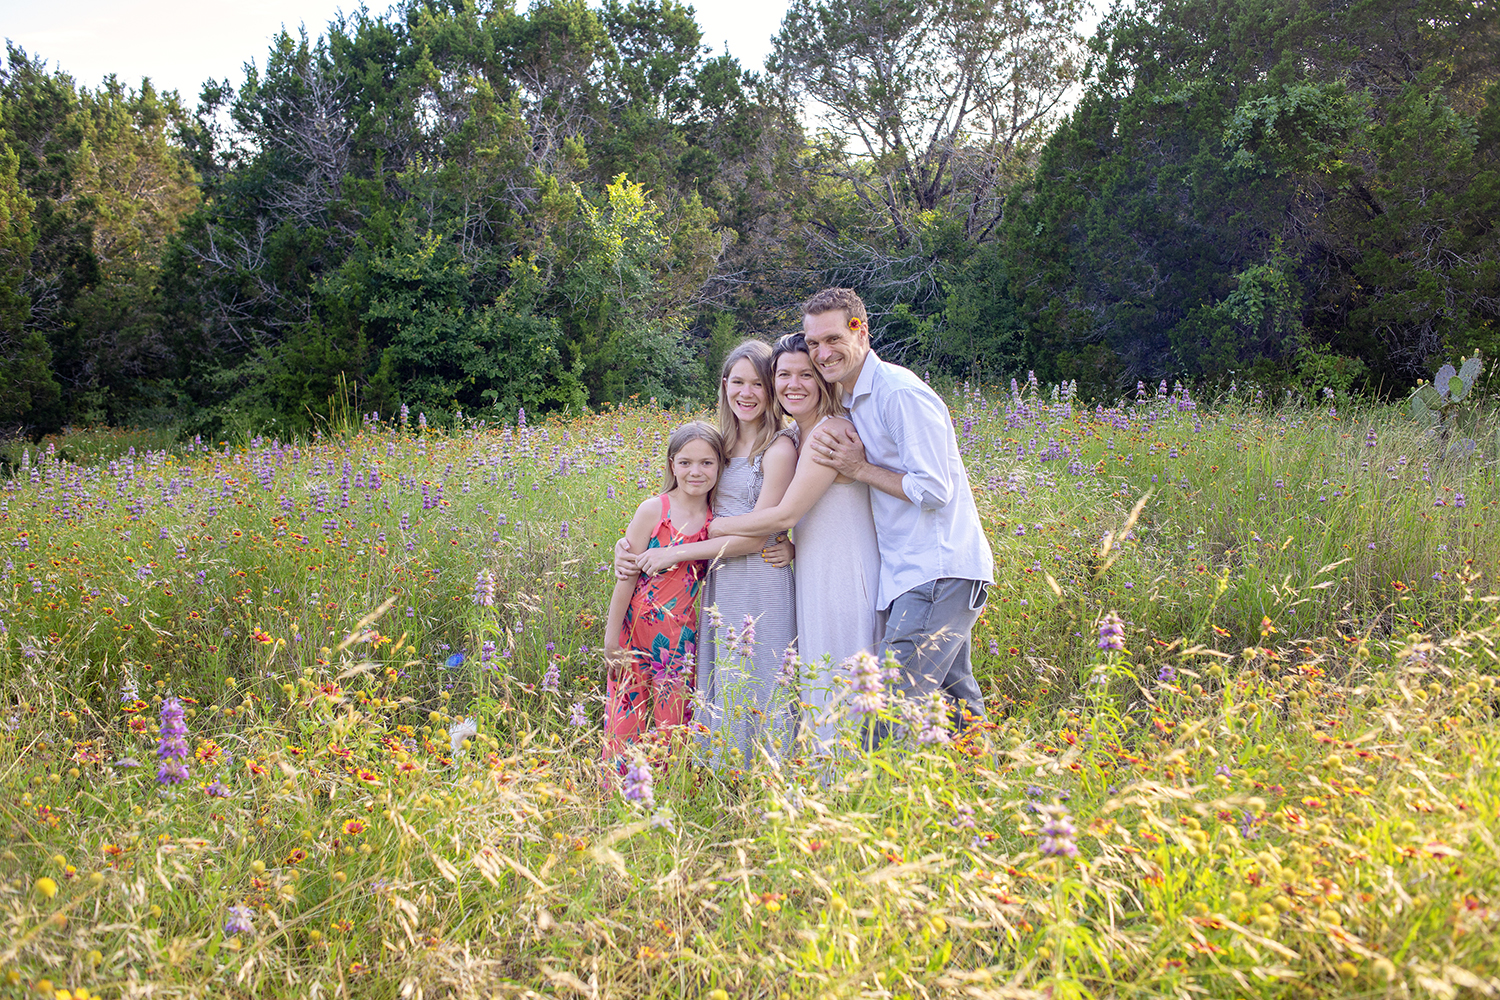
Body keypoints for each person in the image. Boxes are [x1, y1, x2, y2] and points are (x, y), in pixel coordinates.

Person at [800, 288, 995, 736]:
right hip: (913, 573)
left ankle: (876, 801)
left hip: (937, 571)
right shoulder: (852, 398)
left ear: (861, 330)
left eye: (832, 339)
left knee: (887, 707)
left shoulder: (898, 392)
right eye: (813, 344)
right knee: (955, 708)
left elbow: (934, 489)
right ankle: (986, 793)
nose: (822, 354)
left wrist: (859, 468)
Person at [619, 341, 798, 769]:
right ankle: (723, 774)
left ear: (771, 388)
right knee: (722, 672)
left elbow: (760, 533)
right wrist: (631, 547)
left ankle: (767, 774)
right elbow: (683, 502)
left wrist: (673, 555)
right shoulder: (718, 444)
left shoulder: (779, 447)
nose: (748, 392)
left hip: (760, 575)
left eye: (758, 382)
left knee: (760, 670)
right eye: (738, 382)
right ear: (724, 385)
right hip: (717, 576)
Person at [706, 332, 881, 752]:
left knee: (839, 681)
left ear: (823, 379)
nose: (793, 384)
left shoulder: (829, 432)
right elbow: (814, 517)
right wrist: (794, 547)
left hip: (842, 576)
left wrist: (714, 529)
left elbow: (785, 514)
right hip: (813, 568)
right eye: (784, 374)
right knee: (817, 684)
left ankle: (847, 785)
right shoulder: (803, 435)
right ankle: (826, 783)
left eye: (806, 374)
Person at [601, 421, 724, 764]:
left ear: (720, 466)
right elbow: (626, 576)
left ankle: (670, 795)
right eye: (685, 462)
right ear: (672, 465)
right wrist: (611, 639)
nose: (695, 471)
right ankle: (619, 798)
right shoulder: (654, 509)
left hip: (680, 637)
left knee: (674, 723)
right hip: (634, 632)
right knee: (627, 718)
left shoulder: (718, 520)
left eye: (706, 463)